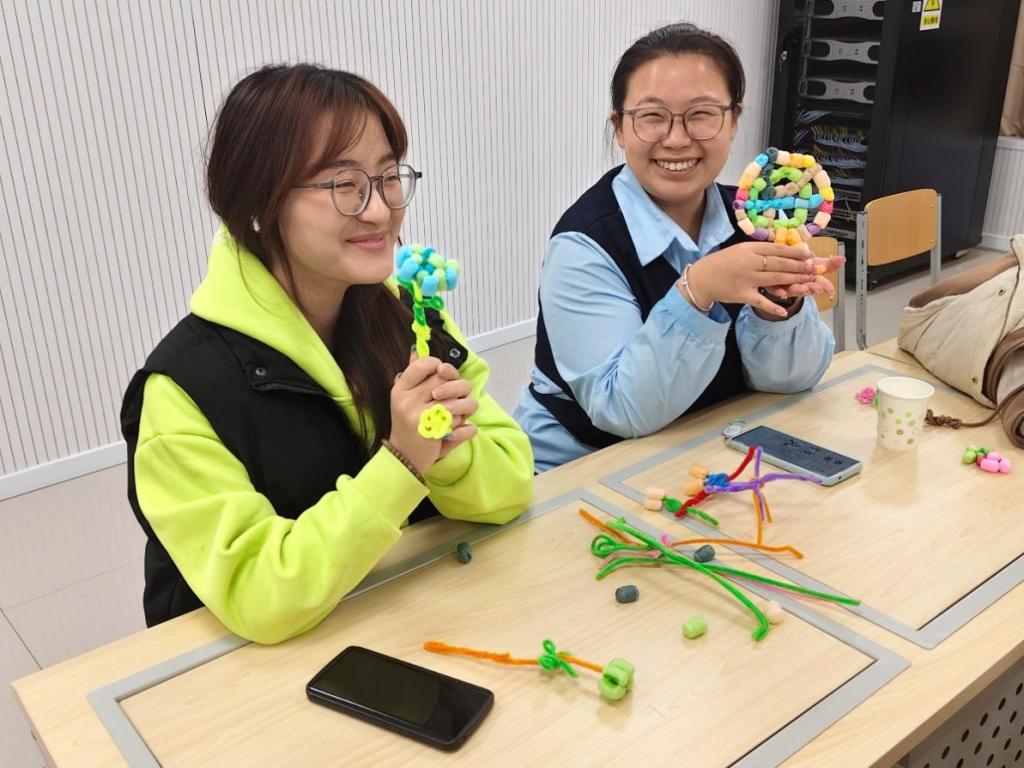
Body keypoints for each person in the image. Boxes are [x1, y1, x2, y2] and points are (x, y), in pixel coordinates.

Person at [121, 64, 534, 643]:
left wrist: (446, 452)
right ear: (260, 201)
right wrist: (403, 462)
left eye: (388, 176)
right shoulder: (182, 388)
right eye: (344, 184)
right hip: (242, 670)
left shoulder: (408, 315)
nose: (379, 210)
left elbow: (512, 484)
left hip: (406, 620)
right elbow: (259, 595)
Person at [515, 23, 843, 472]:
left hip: (705, 452)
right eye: (652, 116)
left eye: (701, 114)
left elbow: (791, 381)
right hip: (582, 469)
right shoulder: (583, 245)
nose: (676, 139)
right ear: (619, 127)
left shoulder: (756, 221)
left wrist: (778, 308)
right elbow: (622, 411)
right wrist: (699, 289)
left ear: (733, 121)